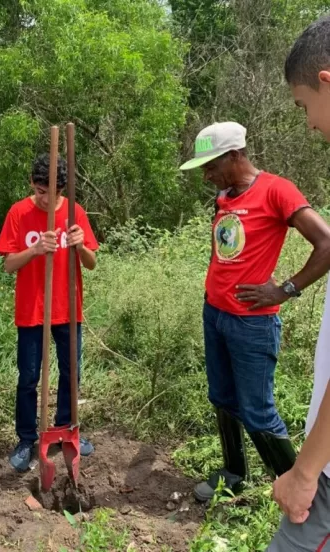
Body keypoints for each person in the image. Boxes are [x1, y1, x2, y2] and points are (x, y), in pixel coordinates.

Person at [179, 121, 330, 503]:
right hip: (214, 314)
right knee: (222, 397)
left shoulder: (277, 191)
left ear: (235, 156)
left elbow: (326, 243)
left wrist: (285, 288)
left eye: (210, 166)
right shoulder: (225, 196)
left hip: (252, 324)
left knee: (258, 411)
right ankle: (233, 473)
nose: (206, 176)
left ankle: (301, 494)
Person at [267, 15, 330, 551]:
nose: (308, 123)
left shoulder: (276, 191)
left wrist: (306, 470)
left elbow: (323, 242)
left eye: (303, 105)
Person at [0, 153, 99, 472]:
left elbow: (91, 263)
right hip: (32, 309)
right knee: (28, 377)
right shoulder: (19, 212)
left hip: (67, 309)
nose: (45, 199)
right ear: (32, 184)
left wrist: (80, 246)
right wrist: (36, 249)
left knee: (72, 373)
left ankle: (68, 430)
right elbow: (8, 264)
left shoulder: (74, 212)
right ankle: (27, 439)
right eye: (40, 191)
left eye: (52, 193)